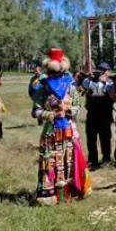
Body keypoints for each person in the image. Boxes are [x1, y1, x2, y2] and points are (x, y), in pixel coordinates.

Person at [31, 48, 91, 205]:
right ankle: (50, 195)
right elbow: (35, 111)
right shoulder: (42, 87)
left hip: (69, 130)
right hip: (51, 131)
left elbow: (77, 106)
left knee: (69, 160)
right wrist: (52, 115)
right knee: (51, 161)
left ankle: (70, 193)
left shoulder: (70, 86)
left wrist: (69, 111)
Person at [81, 62, 114, 169]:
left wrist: (103, 81)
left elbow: (112, 95)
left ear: (108, 72)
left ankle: (106, 159)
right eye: (100, 70)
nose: (101, 73)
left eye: (104, 71)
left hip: (105, 114)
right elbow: (83, 85)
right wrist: (90, 77)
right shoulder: (89, 80)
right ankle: (92, 160)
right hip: (92, 113)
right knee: (91, 137)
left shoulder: (110, 82)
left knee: (105, 138)